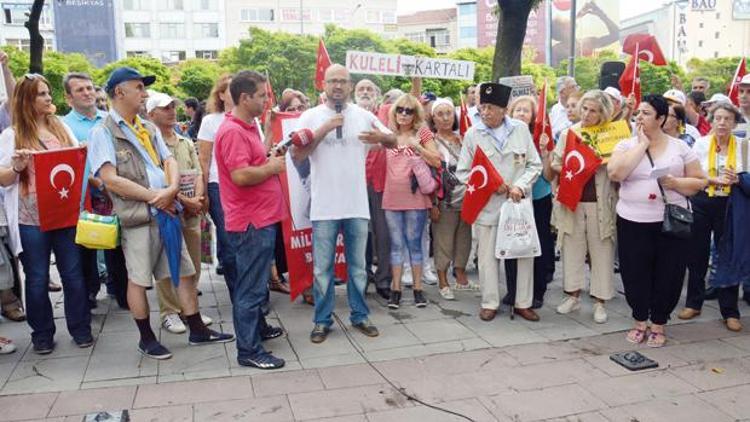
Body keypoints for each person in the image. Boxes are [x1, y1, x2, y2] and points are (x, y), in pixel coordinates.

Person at [88, 67, 233, 360]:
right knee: (139, 279)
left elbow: (169, 161)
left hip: (167, 211)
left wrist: (171, 190)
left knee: (184, 272)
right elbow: (111, 179)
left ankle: (197, 329)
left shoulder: (147, 127)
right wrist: (157, 196)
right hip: (140, 217)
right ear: (120, 92)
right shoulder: (102, 131)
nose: (144, 94)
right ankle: (146, 338)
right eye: (139, 87)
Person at [291, 64, 397, 343]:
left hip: (356, 205)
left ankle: (360, 315)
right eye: (332, 81)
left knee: (358, 267)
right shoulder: (311, 115)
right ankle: (322, 320)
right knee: (322, 269)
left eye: (342, 81)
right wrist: (324, 129)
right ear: (323, 85)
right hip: (324, 206)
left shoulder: (363, 115)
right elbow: (298, 155)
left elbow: (393, 139)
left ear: (350, 86)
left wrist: (381, 138)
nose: (337, 86)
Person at [0, 73, 92, 354]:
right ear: (27, 99)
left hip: (64, 215)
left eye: (48, 93)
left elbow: (77, 164)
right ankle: (42, 333)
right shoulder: (12, 134)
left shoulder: (62, 128)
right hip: (30, 220)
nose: (48, 98)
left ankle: (80, 328)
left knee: (73, 274)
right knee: (37, 278)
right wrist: (16, 167)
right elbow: (3, 179)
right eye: (41, 94)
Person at [608, 94, 705, 347]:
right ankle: (640, 320)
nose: (639, 117)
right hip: (632, 221)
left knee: (669, 272)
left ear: (661, 119)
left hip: (669, 222)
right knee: (634, 272)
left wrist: (675, 183)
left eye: (646, 113)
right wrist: (641, 144)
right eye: (638, 113)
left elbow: (699, 181)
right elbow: (616, 173)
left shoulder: (680, 147)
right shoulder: (626, 145)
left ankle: (659, 322)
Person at [215, 70, 286, 369]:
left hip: (260, 217)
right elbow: (241, 175)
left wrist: (269, 159)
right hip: (251, 222)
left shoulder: (247, 126)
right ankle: (248, 350)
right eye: (261, 95)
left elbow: (251, 164)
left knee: (255, 284)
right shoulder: (232, 131)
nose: (266, 100)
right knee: (251, 288)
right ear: (244, 98)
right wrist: (271, 168)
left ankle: (258, 329)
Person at [456, 83, 542, 322]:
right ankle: (490, 302)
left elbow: (534, 165)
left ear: (504, 109)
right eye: (482, 107)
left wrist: (520, 186)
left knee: (523, 253)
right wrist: (492, 185)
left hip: (517, 204)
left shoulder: (521, 129)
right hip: (488, 205)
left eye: (491, 108)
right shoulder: (474, 134)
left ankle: (523, 302)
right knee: (486, 258)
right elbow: (463, 172)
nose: (485, 112)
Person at [146, 92, 213, 334]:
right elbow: (158, 181)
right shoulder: (150, 144)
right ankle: (169, 311)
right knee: (167, 263)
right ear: (151, 114)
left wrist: (197, 199)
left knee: (192, 263)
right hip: (168, 211)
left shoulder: (184, 141)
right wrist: (184, 200)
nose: (172, 111)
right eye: (164, 108)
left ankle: (190, 309)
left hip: (192, 211)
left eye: (173, 107)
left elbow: (197, 173)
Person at [551, 90, 617, 324]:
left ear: (603, 113)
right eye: (585, 109)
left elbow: (619, 169)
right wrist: (574, 170)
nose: (588, 114)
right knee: (572, 248)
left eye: (594, 110)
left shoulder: (612, 135)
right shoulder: (570, 133)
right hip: (573, 202)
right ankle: (573, 295)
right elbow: (556, 163)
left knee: (602, 252)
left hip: (601, 203)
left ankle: (600, 302)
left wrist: (605, 164)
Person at [678, 103, 745, 330]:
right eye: (718, 118)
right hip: (703, 200)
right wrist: (711, 179)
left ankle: (730, 311)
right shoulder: (702, 144)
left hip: (730, 204)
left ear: (735, 123)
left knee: (728, 255)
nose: (722, 123)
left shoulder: (744, 146)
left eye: (727, 119)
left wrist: (738, 179)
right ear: (711, 120)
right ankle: (693, 302)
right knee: (696, 252)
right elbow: (692, 174)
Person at [383, 94, 441, 309]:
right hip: (391, 197)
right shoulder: (389, 135)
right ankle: (396, 290)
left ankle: (418, 289)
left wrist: (417, 147)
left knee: (414, 243)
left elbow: (437, 160)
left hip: (416, 198)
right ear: (394, 112)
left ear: (416, 114)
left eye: (409, 111)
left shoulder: (422, 133)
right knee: (396, 245)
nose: (403, 114)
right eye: (400, 109)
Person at [61, 72, 109, 310]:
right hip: (81, 197)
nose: (87, 93)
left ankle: (120, 291)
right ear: (69, 98)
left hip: (113, 193)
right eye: (80, 90)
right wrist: (94, 180)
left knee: (118, 246)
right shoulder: (62, 126)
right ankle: (90, 293)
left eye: (89, 88)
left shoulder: (109, 119)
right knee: (85, 249)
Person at [506, 95, 555, 309]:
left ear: (534, 116)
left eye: (526, 110)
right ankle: (513, 290)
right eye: (518, 110)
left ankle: (537, 291)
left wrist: (545, 153)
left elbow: (548, 175)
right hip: (513, 198)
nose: (522, 114)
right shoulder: (506, 136)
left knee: (538, 244)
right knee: (511, 242)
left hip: (538, 198)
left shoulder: (541, 138)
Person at [430, 98, 474, 300]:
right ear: (433, 118)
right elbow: (428, 173)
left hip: (466, 197)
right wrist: (432, 203)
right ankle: (442, 279)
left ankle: (460, 275)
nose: (446, 118)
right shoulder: (430, 141)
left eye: (449, 113)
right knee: (443, 240)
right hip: (445, 199)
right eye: (440, 114)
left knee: (464, 238)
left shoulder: (464, 138)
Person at [197, 75, 236, 296]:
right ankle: (238, 293)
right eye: (231, 89)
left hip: (246, 187)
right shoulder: (211, 121)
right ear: (221, 95)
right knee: (229, 243)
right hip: (219, 187)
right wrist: (204, 193)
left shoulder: (252, 119)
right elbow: (204, 158)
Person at [358, 79, 392, 300]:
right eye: (361, 89)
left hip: (381, 182)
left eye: (370, 89)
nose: (365, 92)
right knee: (359, 234)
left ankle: (383, 280)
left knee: (383, 233)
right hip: (355, 184)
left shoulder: (387, 112)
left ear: (378, 94)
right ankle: (361, 278)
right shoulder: (348, 115)